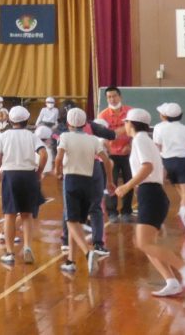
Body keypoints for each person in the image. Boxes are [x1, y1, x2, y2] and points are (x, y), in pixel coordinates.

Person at [114, 108, 185, 297]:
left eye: (126, 122)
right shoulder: (144, 140)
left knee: (143, 243)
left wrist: (126, 186)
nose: (124, 125)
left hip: (151, 195)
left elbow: (147, 167)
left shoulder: (140, 140)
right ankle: (171, 282)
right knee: (144, 242)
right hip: (151, 195)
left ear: (131, 124)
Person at [55, 107, 115, 276]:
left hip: (72, 180)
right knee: (77, 222)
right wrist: (110, 181)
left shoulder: (65, 137)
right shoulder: (94, 140)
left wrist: (57, 171)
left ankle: (88, 253)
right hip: (89, 182)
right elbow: (106, 161)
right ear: (85, 123)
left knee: (71, 221)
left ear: (68, 123)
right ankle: (70, 261)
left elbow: (59, 157)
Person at [0, 105, 47, 266]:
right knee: (27, 215)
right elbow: (43, 154)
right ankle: (27, 247)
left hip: (10, 175)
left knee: (9, 215)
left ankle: (9, 253)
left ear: (10, 120)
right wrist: (39, 171)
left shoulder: (4, 135)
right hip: (28, 175)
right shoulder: (31, 136)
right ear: (27, 120)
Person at [153, 102, 185, 230]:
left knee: (178, 189)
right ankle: (183, 211)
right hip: (182, 161)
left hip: (165, 162)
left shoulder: (158, 128)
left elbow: (156, 147)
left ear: (164, 116)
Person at [98, 86, 134, 222]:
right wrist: (107, 149)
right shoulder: (103, 115)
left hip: (128, 154)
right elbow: (101, 136)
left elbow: (136, 131)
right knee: (110, 182)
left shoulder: (130, 112)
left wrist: (130, 145)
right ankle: (112, 211)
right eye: (109, 97)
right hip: (111, 155)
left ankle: (126, 211)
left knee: (129, 181)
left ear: (120, 96)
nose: (112, 99)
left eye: (114, 96)